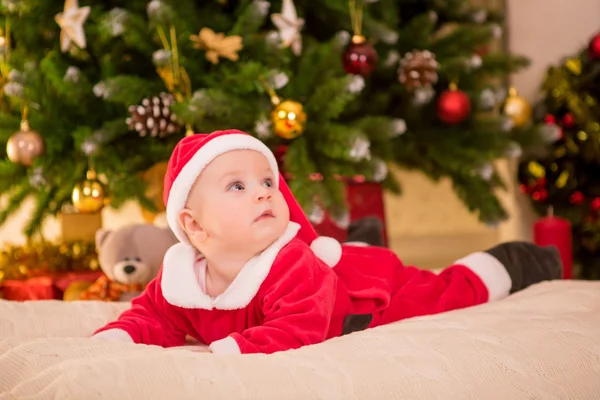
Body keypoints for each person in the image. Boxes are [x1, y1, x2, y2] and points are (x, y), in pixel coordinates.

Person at [92, 129, 563, 354]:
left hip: (366, 297)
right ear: (194, 227)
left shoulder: (289, 263)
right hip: (333, 273)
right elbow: (151, 315)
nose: (262, 191)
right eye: (237, 186)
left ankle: (514, 261)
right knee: (357, 252)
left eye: (267, 182)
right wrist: (120, 334)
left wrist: (235, 349)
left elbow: (301, 329)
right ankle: (361, 236)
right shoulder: (181, 278)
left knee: (441, 292)